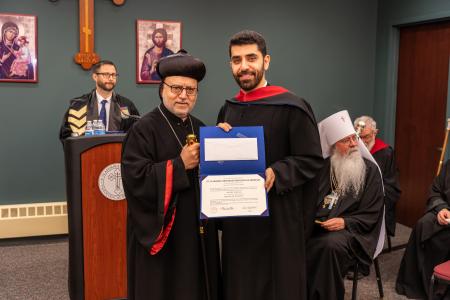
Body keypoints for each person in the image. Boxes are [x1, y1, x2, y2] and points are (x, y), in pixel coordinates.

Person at [216, 30, 324, 300]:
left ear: (266, 61)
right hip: (238, 219)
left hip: (277, 218)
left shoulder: (292, 107)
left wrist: (277, 171)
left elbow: (311, 159)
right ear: (230, 64)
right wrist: (218, 142)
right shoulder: (228, 108)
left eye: (251, 58)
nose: (244, 66)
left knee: (276, 286)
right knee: (239, 280)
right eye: (237, 60)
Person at [121, 50, 221, 300]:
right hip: (164, 232)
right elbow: (135, 179)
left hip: (197, 229)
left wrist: (223, 141)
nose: (183, 96)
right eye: (176, 88)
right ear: (162, 89)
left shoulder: (201, 128)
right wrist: (179, 165)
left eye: (191, 90)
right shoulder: (143, 129)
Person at [307, 110, 384, 300]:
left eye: (354, 138)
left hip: (354, 232)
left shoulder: (370, 171)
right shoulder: (323, 168)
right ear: (333, 145)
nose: (353, 144)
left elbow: (372, 213)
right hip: (320, 226)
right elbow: (308, 201)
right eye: (346, 140)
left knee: (328, 246)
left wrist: (345, 222)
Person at [396, 160, 450, 299]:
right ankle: (415, 285)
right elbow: (435, 191)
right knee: (423, 224)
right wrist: (441, 208)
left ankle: (442, 287)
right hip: (446, 212)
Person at [59, 60, 139, 141]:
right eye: (106, 74)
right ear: (95, 77)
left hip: (117, 152)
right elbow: (66, 135)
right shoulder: (78, 105)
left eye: (113, 75)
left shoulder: (126, 105)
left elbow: (136, 134)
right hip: (87, 151)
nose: (111, 78)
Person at [354, 115, 401, 237]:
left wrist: (373, 194)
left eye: (367, 137)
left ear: (375, 133)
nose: (362, 142)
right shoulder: (351, 148)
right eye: (359, 137)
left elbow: (391, 185)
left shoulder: (385, 152)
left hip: (374, 197)